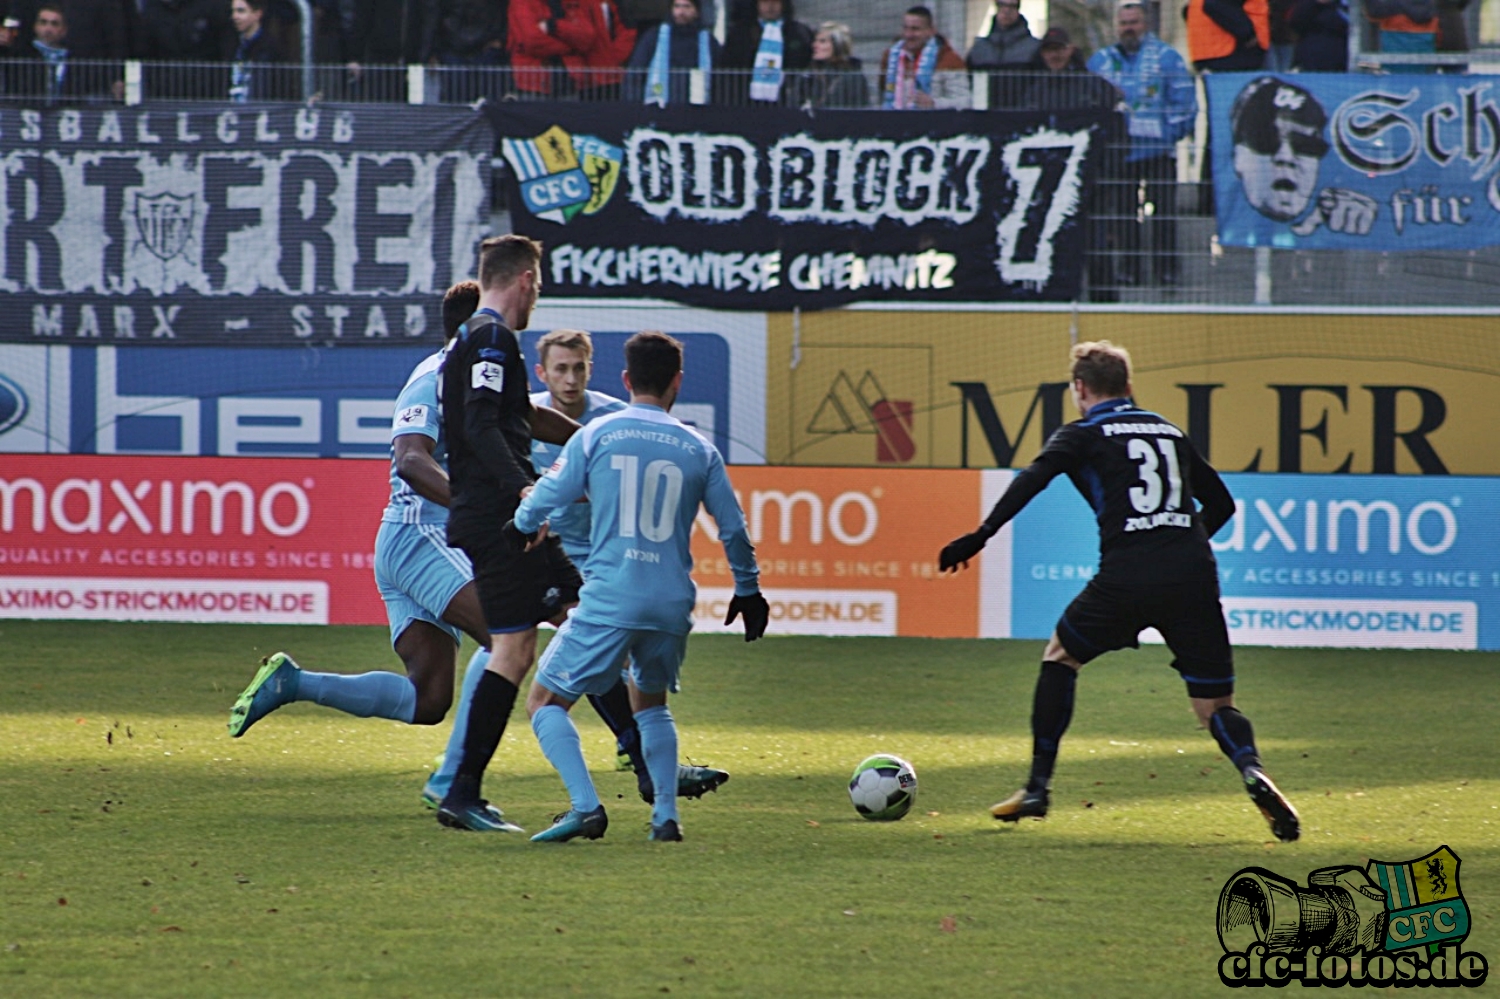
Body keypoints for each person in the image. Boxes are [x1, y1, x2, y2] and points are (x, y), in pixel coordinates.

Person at [938, 341, 1299, 844]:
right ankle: (1252, 769)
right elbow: (1221, 503)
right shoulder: (1168, 431)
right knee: (1216, 708)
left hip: (1127, 574)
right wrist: (1182, 542)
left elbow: (1032, 479)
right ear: (1129, 387)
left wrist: (980, 535)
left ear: (1079, 389)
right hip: (1194, 574)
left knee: (1060, 657)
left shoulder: (1083, 432)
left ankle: (1038, 788)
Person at [510, 331, 769, 844]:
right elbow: (734, 528)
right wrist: (749, 590)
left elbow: (549, 493)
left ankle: (585, 808)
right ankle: (666, 819)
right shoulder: (699, 448)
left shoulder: (597, 434)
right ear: (677, 381)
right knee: (651, 704)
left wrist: (518, 524)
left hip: (610, 596)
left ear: (626, 380)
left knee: (543, 702)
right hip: (671, 604)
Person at [1088, 1, 1197, 288]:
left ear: (1145, 23)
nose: (1128, 29)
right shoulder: (1101, 61)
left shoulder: (1167, 57)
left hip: (1159, 151)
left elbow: (1185, 104)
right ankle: (1129, 271)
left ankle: (1167, 272)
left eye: (1133, 22)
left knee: (1163, 215)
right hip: (1120, 152)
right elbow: (1088, 102)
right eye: (1124, 24)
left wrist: (1168, 134)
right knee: (1123, 215)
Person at [1229, 75, 1375, 237]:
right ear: (1237, 157)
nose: (1285, 158)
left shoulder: (1338, 206)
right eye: (1265, 140)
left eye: (1305, 145)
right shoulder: (1225, 216)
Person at [622, 0, 718, 106]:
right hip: (658, 107)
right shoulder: (654, 36)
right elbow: (636, 72)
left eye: (687, 6)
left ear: (697, 11)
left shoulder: (708, 41)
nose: (681, 12)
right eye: (677, 6)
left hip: (697, 109)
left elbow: (719, 80)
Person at [719, 0, 812, 106]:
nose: (770, 6)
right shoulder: (740, 32)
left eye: (776, 2)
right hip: (745, 100)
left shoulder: (798, 32)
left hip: (786, 100)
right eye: (765, 2)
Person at [880, 5, 969, 110]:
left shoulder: (949, 59)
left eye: (915, 29)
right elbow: (882, 96)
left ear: (931, 31)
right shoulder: (890, 57)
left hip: (934, 124)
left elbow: (965, 101)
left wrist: (934, 103)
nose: (908, 34)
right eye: (905, 28)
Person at [965, 0, 1038, 109]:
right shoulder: (980, 48)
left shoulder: (1033, 48)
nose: (1006, 10)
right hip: (985, 114)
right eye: (1002, 5)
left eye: (1012, 6)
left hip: (1021, 113)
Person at [788, 20, 867, 109]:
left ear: (838, 45)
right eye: (815, 41)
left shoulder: (854, 76)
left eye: (822, 41)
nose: (814, 45)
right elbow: (793, 105)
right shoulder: (808, 75)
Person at [227, 0, 292, 101]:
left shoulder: (271, 47)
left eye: (241, 11)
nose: (235, 16)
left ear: (257, 14)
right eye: (233, 11)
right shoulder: (231, 43)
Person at [1185, 0, 1268, 72]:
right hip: (1230, 52)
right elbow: (1213, 4)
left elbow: (1187, 10)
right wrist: (1249, 34)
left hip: (1203, 52)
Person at [1365, 0, 1438, 71]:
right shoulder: (1432, 9)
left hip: (1393, 68)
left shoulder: (1391, 7)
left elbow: (1373, 12)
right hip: (1424, 70)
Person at [1289, 0, 1348, 71]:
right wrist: (1317, 3)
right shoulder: (1310, 5)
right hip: (1313, 58)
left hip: (1344, 58)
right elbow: (1296, 23)